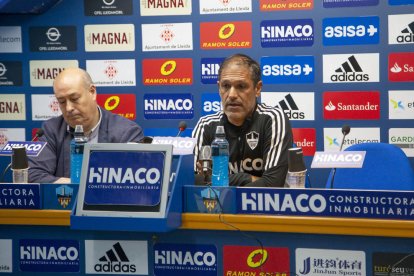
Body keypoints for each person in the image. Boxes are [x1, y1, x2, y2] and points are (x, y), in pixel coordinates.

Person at [192, 54, 293, 187]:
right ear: (219, 88)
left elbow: (273, 184)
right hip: (218, 207)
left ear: (257, 88)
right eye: (226, 86)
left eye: (241, 86)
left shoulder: (272, 119)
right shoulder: (206, 125)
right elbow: (194, 182)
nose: (232, 95)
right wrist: (246, 179)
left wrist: (218, 181)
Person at [28, 67, 144, 183]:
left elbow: (134, 182)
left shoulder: (126, 132)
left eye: (74, 99)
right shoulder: (51, 130)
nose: (69, 108)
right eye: (62, 102)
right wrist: (77, 186)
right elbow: (33, 174)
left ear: (92, 92)